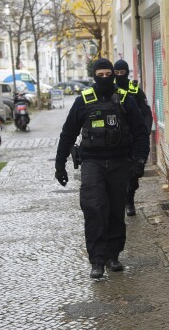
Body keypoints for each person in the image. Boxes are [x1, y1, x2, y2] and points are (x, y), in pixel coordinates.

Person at [54, 58, 150, 279]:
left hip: (119, 163)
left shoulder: (126, 100)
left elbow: (140, 133)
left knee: (116, 211)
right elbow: (68, 133)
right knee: (94, 209)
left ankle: (113, 255)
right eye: (101, 75)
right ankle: (97, 260)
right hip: (92, 163)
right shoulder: (83, 101)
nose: (105, 78)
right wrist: (60, 165)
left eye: (109, 74)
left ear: (114, 75)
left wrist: (139, 161)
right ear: (94, 76)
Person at [113, 59, 154, 216]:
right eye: (116, 73)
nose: (119, 76)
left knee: (134, 174)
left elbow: (146, 112)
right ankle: (118, 200)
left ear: (127, 72)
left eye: (122, 73)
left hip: (134, 138)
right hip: (117, 138)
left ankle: (129, 200)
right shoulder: (111, 89)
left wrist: (145, 131)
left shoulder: (135, 90)